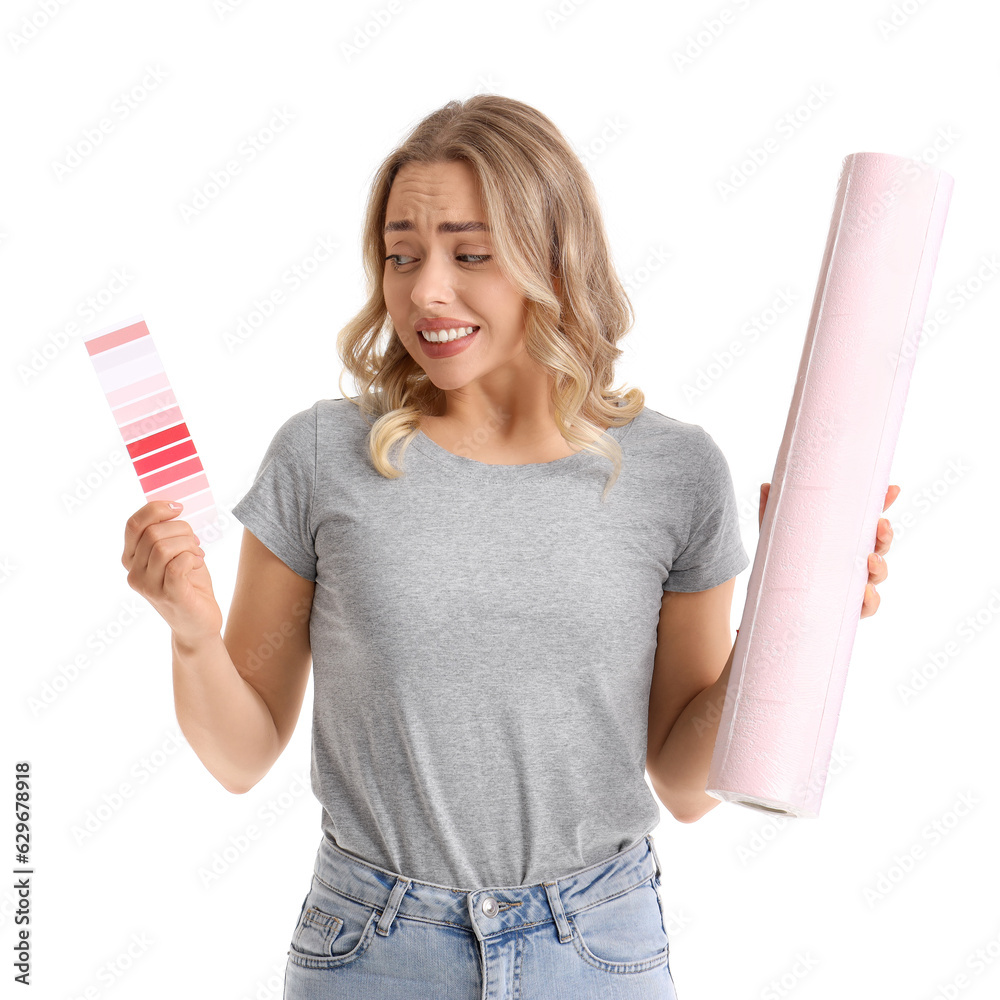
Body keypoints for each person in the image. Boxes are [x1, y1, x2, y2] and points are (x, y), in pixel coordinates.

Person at [120, 95, 898, 1000]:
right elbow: (242, 753)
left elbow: (685, 784)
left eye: (470, 253)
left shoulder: (675, 472)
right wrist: (188, 634)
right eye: (402, 255)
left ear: (554, 260)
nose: (424, 291)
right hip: (373, 948)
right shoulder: (323, 456)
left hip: (599, 947)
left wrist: (794, 610)